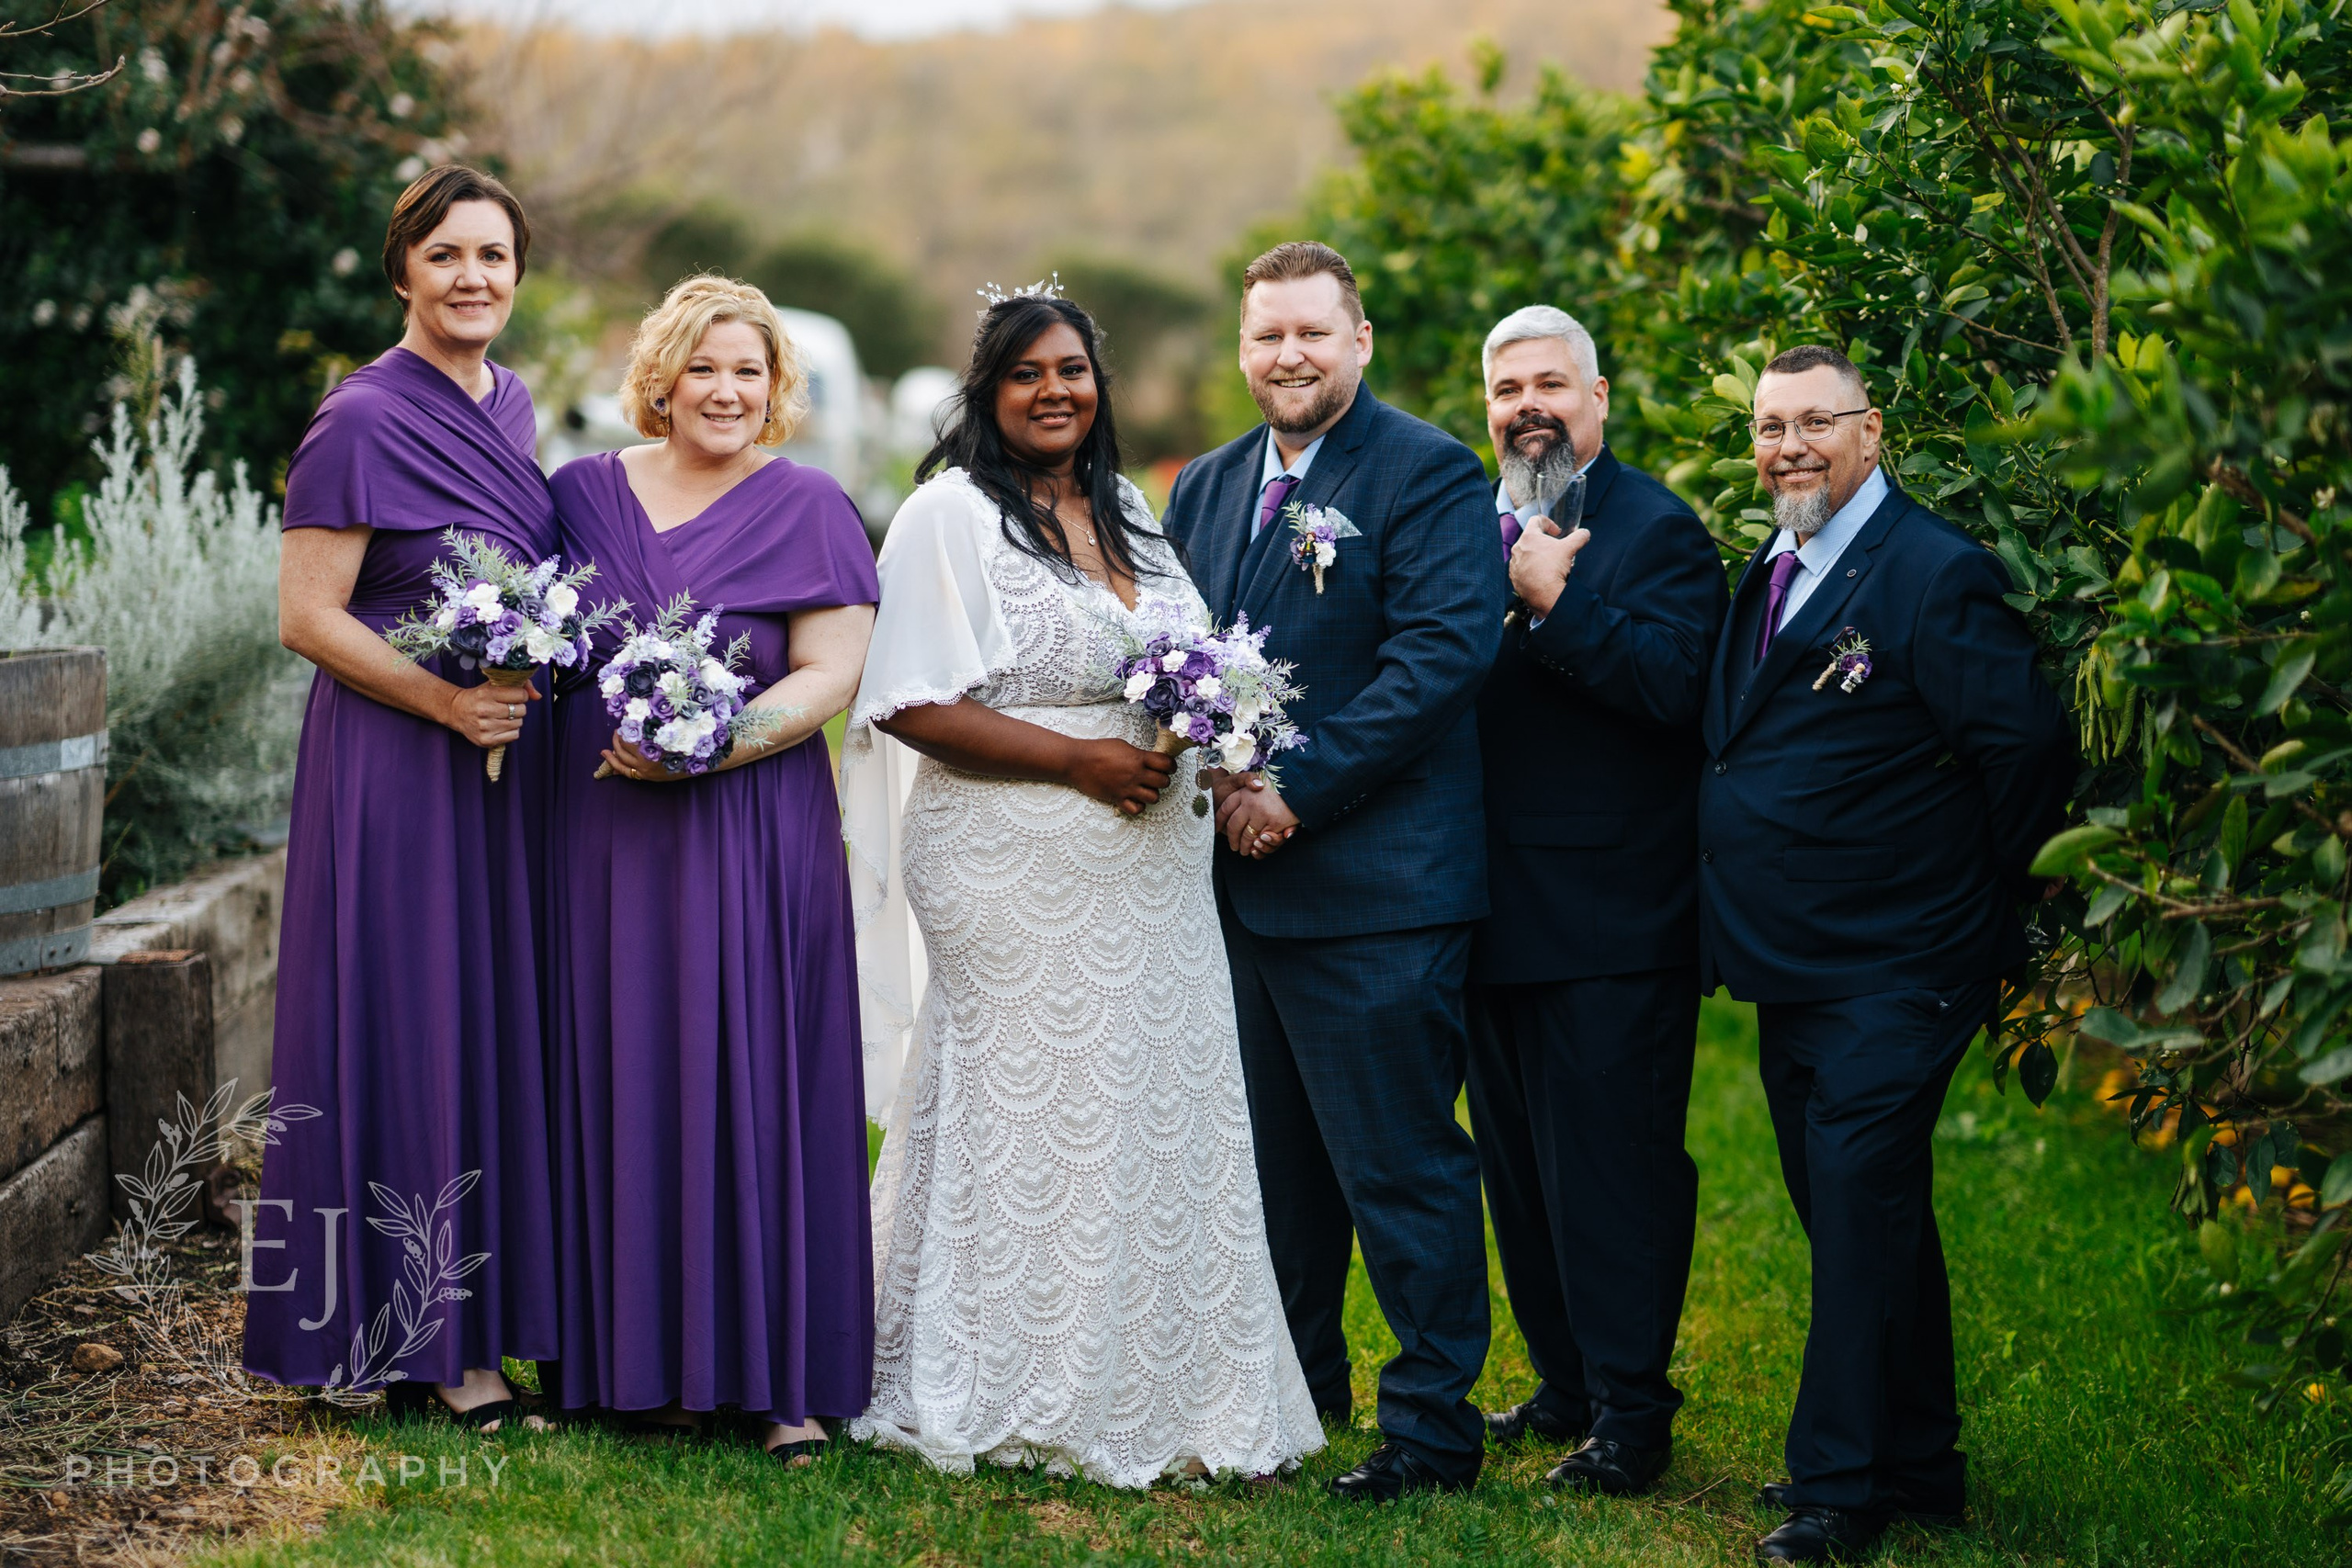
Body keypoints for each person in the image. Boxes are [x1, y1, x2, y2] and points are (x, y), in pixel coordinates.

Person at [842, 286, 1323, 1486]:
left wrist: (1222, 741)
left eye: (1072, 369)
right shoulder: (947, 516)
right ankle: (1007, 1382)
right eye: (1025, 374)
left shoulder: (1131, 516)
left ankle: (1172, 1386)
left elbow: (1198, 666)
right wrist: (1081, 758)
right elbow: (906, 702)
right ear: (986, 394)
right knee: (1032, 1111)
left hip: (1151, 862)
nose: (1054, 390)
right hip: (1009, 848)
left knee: (1157, 1107)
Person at [1698, 345, 2075, 1562]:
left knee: (1857, 1207)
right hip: (1797, 958)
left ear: (1873, 434)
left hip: (1904, 958)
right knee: (1858, 1210)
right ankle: (1923, 1463)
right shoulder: (1772, 562)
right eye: (1770, 426)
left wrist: (1963, 907)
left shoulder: (1931, 570)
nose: (1790, 445)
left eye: (1817, 421)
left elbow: (2027, 754)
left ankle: (1839, 1488)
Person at [1159, 243, 1506, 1501]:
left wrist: (1294, 792)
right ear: (1243, 350)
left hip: (1377, 889)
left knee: (1399, 1165)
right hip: (1231, 895)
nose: (1289, 356)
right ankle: (1293, 1395)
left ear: (1359, 340)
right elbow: (1173, 652)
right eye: (1267, 338)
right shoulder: (1201, 487)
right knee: (1273, 1176)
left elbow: (1442, 657)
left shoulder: (1425, 472)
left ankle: (1431, 1428)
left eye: (1313, 333)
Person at [543, 276, 878, 1461]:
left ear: (776, 385)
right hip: (602, 837)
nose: (726, 391)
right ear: (662, 379)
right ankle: (636, 1363)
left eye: (749, 370)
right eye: (704, 368)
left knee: (757, 1069)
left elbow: (829, 674)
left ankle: (776, 1370)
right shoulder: (578, 496)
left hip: (749, 827)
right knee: (621, 1066)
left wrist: (708, 747)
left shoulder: (813, 506)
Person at [246, 165, 556, 1429]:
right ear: (402, 273)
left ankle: (469, 1320)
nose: (472, 278)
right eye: (446, 258)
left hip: (496, 765)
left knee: (481, 1026)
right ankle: (430, 1349)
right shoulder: (360, 418)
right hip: (391, 762)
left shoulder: (517, 407)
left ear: (518, 275)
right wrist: (439, 700)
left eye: (492, 256)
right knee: (407, 1021)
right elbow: (305, 615)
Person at [1466, 306, 1726, 1495]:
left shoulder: (1660, 530)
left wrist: (1557, 608)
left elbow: (1680, 692)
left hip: (1616, 921)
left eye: (1552, 384)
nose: (1531, 404)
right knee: (1521, 1174)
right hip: (1490, 912)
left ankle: (1633, 1414)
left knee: (1613, 1175)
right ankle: (1566, 1379)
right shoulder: (1471, 527)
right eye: (1510, 386)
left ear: (1600, 398)